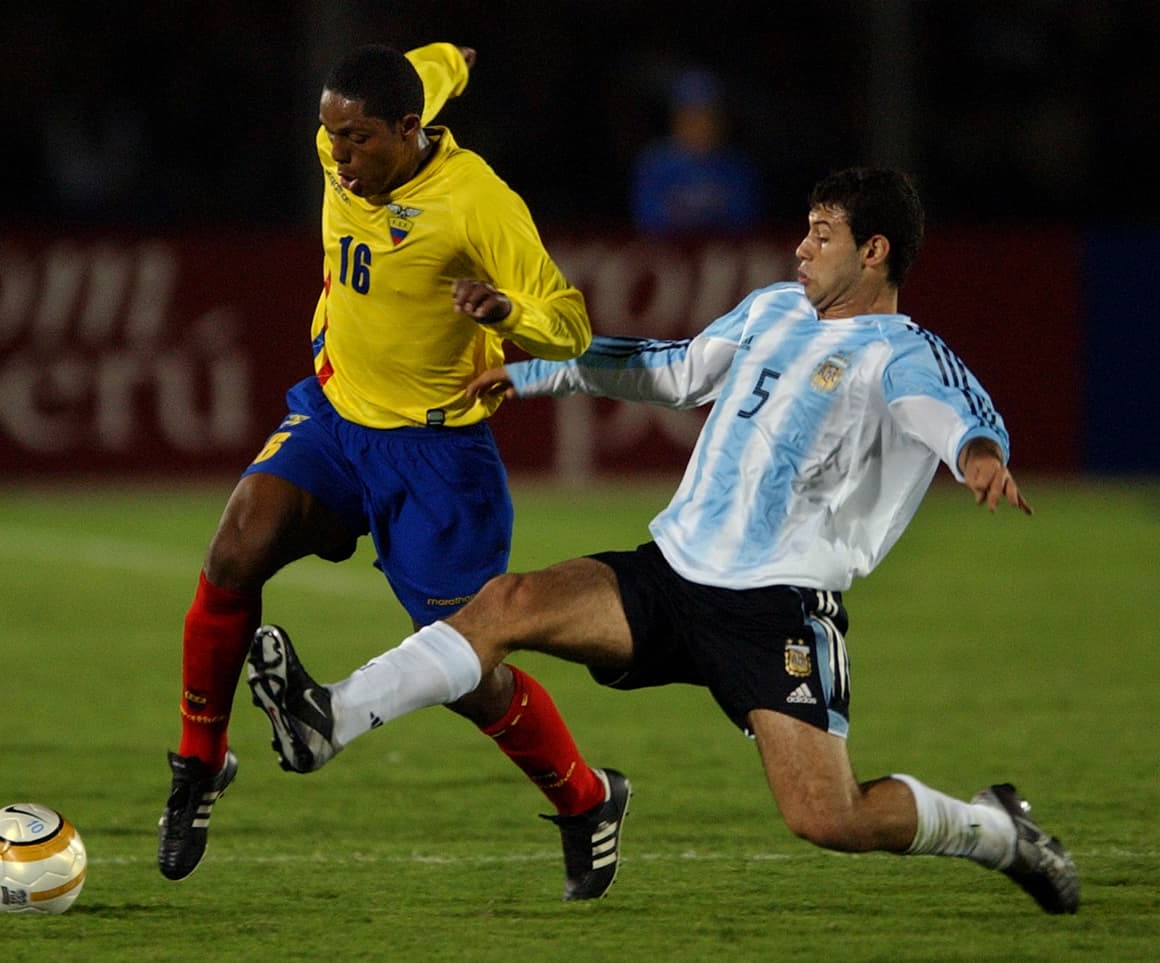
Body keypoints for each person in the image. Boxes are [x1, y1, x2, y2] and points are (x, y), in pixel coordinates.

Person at [242, 167, 1080, 914]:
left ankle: (993, 830)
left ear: (875, 252)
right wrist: (540, 368)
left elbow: (958, 412)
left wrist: (976, 453)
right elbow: (673, 369)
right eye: (805, 228)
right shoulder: (773, 310)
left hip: (774, 608)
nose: (800, 248)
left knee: (829, 816)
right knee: (506, 603)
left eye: (821, 235)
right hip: (673, 575)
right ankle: (329, 718)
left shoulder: (899, 352)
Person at [159, 42, 631, 902]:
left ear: (411, 132)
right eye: (330, 134)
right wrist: (455, 54)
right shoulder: (356, 135)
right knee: (234, 548)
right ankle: (198, 764)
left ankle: (588, 799)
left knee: (466, 672)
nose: (338, 156)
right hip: (337, 420)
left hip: (440, 461)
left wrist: (507, 311)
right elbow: (438, 66)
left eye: (359, 139)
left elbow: (570, 326)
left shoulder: (475, 202)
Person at [630, 67, 764, 234]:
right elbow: (648, 218)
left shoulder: (737, 166)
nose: (700, 126)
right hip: (667, 255)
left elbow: (745, 217)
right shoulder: (655, 164)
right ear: (676, 119)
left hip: (721, 255)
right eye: (691, 117)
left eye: (707, 117)